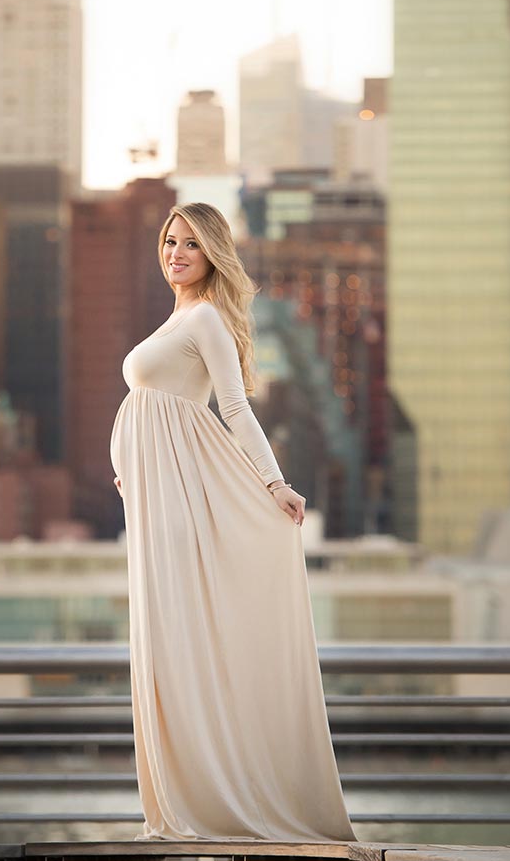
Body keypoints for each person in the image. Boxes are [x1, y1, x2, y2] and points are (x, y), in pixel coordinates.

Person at [109, 202, 355, 843]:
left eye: (190, 243)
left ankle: (212, 797)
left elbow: (237, 410)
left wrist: (274, 484)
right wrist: (129, 467)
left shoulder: (209, 318)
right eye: (169, 241)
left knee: (181, 641)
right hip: (154, 501)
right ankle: (179, 798)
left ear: (213, 251)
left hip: (181, 502)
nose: (176, 253)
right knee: (163, 642)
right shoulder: (178, 317)